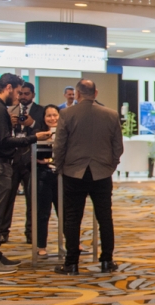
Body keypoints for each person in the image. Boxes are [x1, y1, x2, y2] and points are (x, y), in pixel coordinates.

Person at [0, 73, 52, 272]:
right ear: (8, 87)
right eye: (18, 92)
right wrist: (34, 137)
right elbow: (5, 141)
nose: (19, 97)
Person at [53, 79, 123, 275]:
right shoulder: (111, 114)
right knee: (105, 217)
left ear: (77, 94)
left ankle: (72, 263)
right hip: (102, 173)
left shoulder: (66, 114)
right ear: (96, 93)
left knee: (72, 218)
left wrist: (59, 167)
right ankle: (107, 261)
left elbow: (59, 145)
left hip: (73, 172)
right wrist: (110, 166)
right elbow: (118, 147)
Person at [2, 81, 44, 244]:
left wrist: (31, 123)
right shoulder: (9, 110)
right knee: (7, 198)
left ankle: (31, 233)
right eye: (20, 93)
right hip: (12, 158)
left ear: (33, 95)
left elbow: (46, 130)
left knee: (33, 199)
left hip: (31, 159)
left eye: (27, 94)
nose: (23, 97)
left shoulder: (41, 111)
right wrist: (10, 124)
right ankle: (3, 232)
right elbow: (2, 134)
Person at [34, 105, 60, 257]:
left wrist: (50, 160)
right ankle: (41, 246)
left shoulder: (65, 133)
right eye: (49, 115)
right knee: (43, 213)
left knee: (66, 213)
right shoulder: (39, 134)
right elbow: (36, 157)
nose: (52, 118)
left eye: (55, 115)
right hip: (43, 176)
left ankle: (73, 243)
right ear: (43, 118)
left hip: (61, 176)